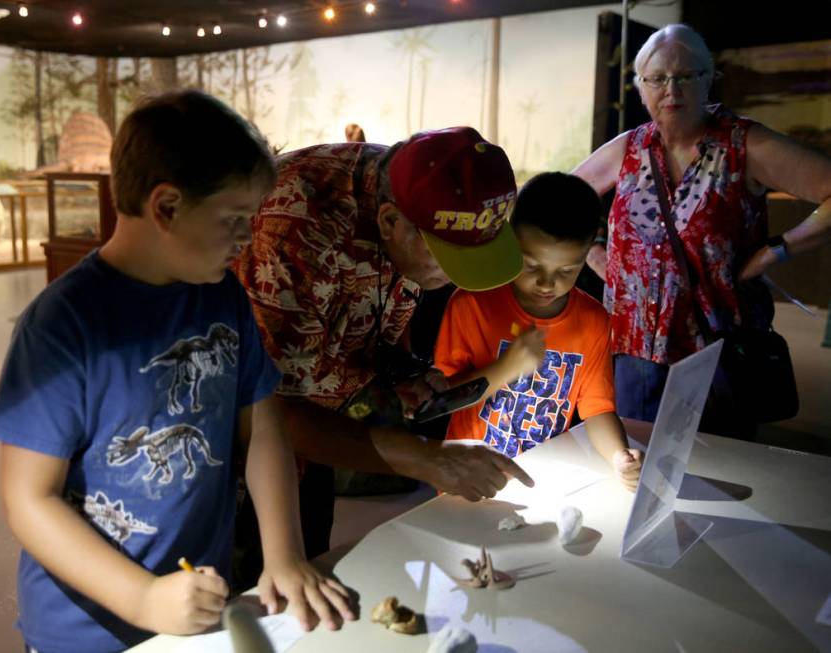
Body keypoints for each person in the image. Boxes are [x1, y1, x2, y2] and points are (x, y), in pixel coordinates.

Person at [0, 90, 354, 653]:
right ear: (167, 207)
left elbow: (262, 424)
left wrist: (283, 555)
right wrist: (141, 599)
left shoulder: (222, 295)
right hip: (83, 631)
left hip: (194, 604)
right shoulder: (62, 325)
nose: (247, 238)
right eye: (233, 219)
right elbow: (29, 499)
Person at [231, 126, 535, 565]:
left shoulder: (411, 186)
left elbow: (368, 318)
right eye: (446, 260)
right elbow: (270, 413)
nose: (450, 278)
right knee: (254, 596)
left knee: (313, 570)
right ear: (391, 222)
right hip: (239, 459)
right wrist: (426, 459)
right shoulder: (293, 230)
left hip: (316, 438)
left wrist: (395, 375)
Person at [572, 24, 831, 436]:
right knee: (634, 468)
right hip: (633, 350)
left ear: (709, 78)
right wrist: (595, 251)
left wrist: (777, 250)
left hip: (714, 352)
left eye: (685, 76)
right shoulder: (630, 148)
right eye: (657, 79)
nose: (670, 90)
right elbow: (561, 201)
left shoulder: (742, 145)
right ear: (641, 87)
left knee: (719, 469)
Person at [434, 172, 643, 490]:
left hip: (547, 481)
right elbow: (442, 401)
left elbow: (598, 408)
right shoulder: (472, 304)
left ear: (586, 255)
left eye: (566, 270)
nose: (547, 283)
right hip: (471, 476)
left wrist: (618, 456)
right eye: (531, 266)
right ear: (510, 241)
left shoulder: (593, 321)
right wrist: (506, 368)